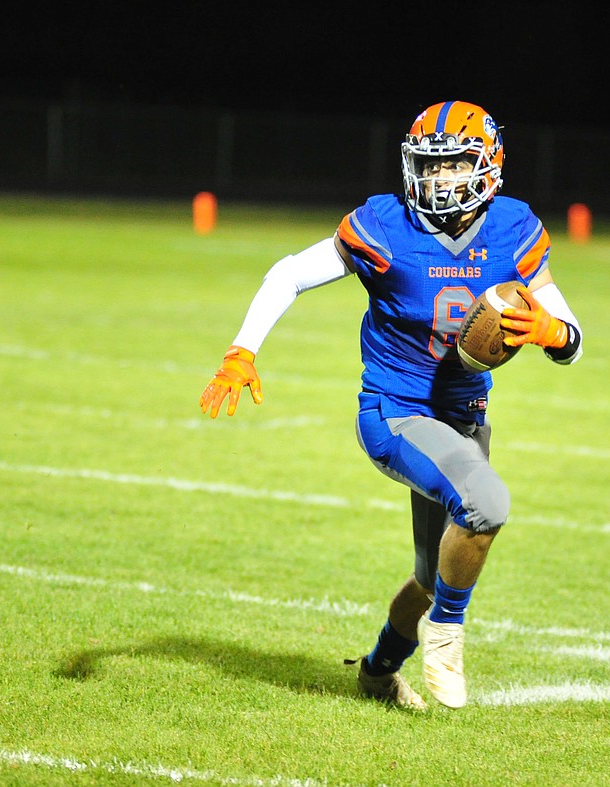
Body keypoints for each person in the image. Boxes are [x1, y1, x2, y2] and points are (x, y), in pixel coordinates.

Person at [200, 100, 582, 710]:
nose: (436, 181)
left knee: (432, 578)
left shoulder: (513, 228)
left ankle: (378, 672)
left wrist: (549, 332)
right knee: (487, 503)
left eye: (453, 166)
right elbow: (289, 274)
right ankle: (448, 634)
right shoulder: (385, 225)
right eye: (428, 167)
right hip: (394, 414)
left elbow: (569, 334)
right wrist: (242, 350)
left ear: (487, 168)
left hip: (464, 420)